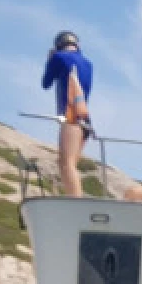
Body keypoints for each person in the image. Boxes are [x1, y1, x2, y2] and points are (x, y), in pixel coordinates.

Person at [41, 30, 93, 197]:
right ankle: (75, 197)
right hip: (85, 118)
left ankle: (76, 201)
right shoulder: (87, 63)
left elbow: (46, 83)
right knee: (71, 165)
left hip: (71, 116)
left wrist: (50, 59)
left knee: (66, 164)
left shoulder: (59, 57)